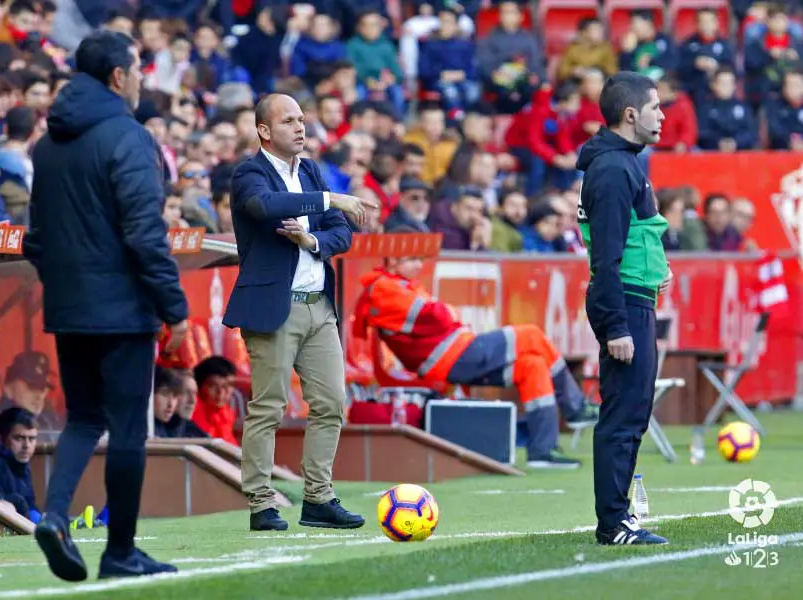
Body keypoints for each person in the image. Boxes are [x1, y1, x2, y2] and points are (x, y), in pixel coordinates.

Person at [23, 31, 189, 581]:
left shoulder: (46, 146)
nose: (143, 78)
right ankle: (120, 551)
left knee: (83, 418)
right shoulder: (130, 137)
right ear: (119, 75)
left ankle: (53, 516)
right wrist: (175, 307)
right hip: (120, 309)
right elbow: (146, 234)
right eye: (139, 67)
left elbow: (36, 238)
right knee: (123, 427)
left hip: (69, 306)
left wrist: (66, 285)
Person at [225, 93, 376, 532]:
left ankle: (318, 498)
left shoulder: (309, 170)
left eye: (302, 119)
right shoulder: (250, 173)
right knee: (268, 407)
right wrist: (332, 199)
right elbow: (265, 207)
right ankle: (259, 502)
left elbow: (341, 235)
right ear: (264, 131)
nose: (300, 127)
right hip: (275, 307)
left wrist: (312, 243)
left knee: (331, 403)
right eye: (288, 120)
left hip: (318, 306)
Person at [353, 245, 594, 467]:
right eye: (413, 259)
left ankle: (542, 450)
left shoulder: (400, 285)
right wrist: (447, 310)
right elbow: (438, 316)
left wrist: (447, 312)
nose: (419, 265)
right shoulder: (383, 287)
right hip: (450, 357)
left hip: (457, 353)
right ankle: (574, 408)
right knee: (531, 335)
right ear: (393, 259)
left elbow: (439, 316)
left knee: (532, 365)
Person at [576, 71, 672, 545]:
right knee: (622, 417)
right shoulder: (614, 170)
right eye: (657, 107)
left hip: (636, 299)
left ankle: (619, 518)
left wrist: (659, 271)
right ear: (631, 114)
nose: (663, 116)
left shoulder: (626, 163)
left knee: (633, 414)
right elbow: (606, 259)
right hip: (625, 306)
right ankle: (613, 524)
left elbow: (635, 240)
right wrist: (616, 326)